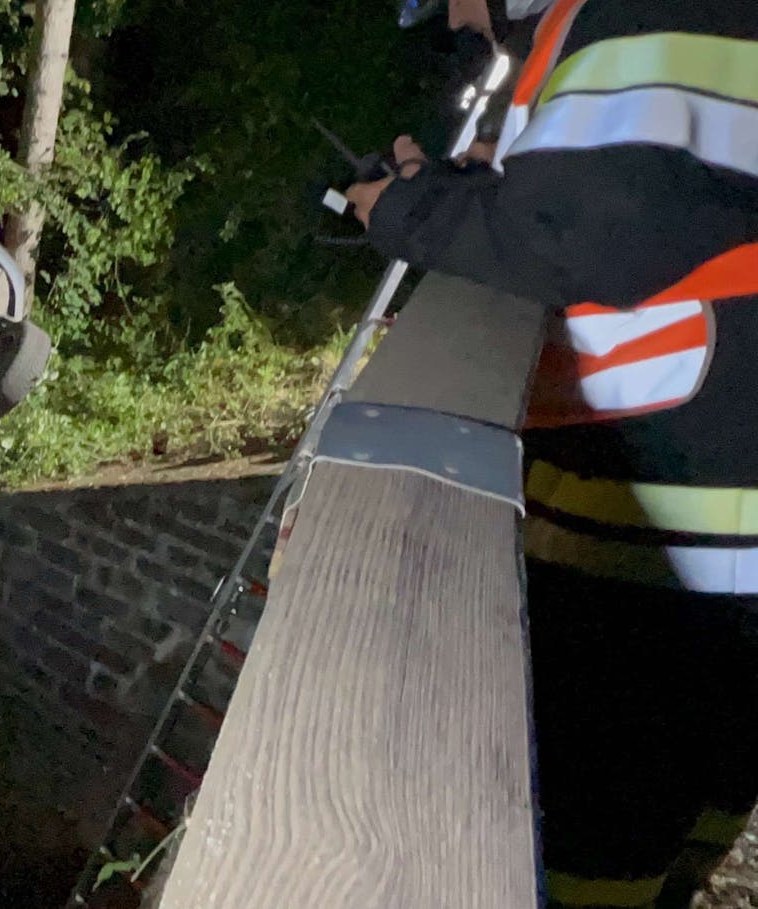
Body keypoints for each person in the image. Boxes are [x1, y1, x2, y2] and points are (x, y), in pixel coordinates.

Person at [348, 1, 758, 907]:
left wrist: (409, 212)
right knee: (674, 828)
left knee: (582, 852)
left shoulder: (623, 12)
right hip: (714, 524)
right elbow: (647, 195)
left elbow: (581, 228)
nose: (457, 16)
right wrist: (480, 192)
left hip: (668, 535)